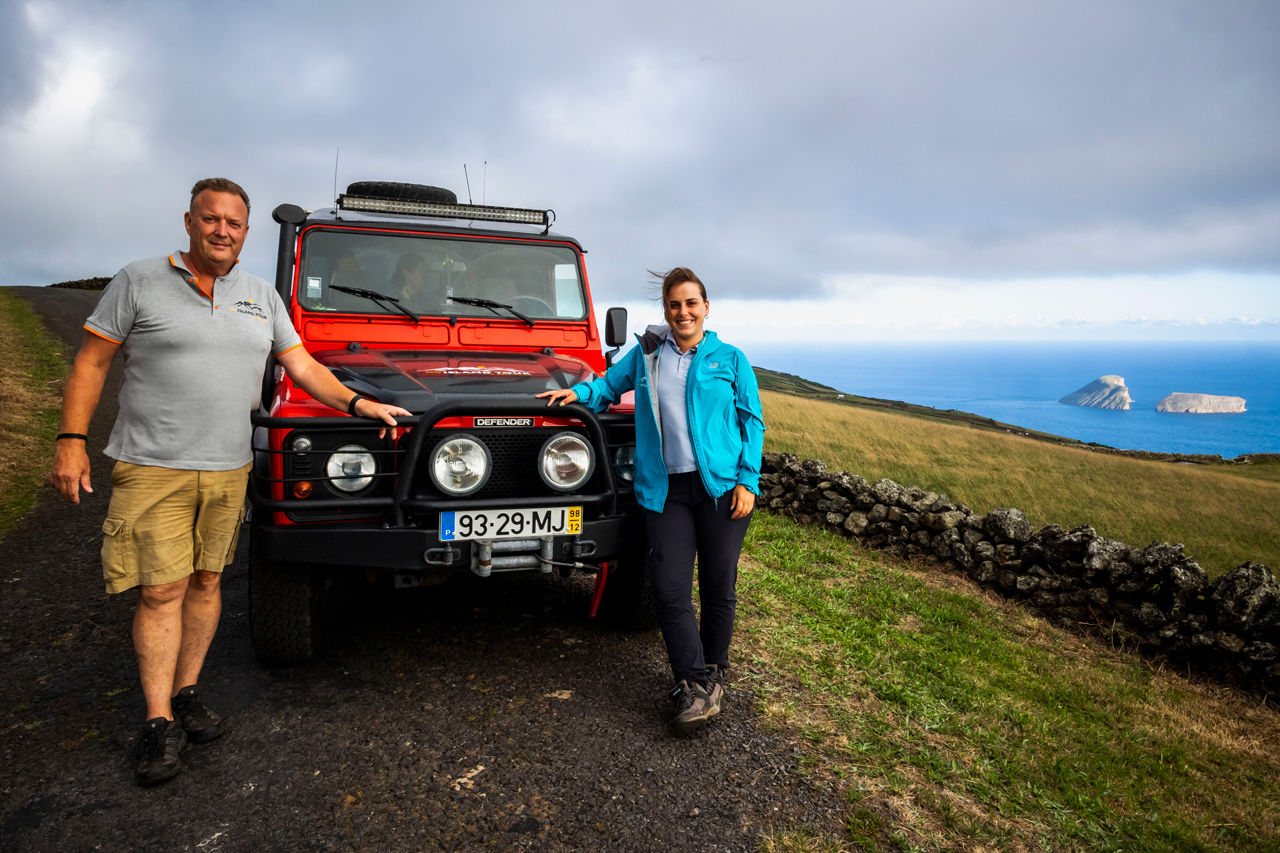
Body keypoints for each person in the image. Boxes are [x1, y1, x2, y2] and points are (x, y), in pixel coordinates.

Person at [49, 178, 411, 785]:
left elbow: (302, 365)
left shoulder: (260, 297)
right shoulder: (138, 281)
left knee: (207, 580)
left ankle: (187, 693)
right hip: (154, 465)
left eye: (234, 223)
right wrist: (71, 441)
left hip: (227, 466)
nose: (222, 230)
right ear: (189, 222)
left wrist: (358, 405)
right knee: (161, 591)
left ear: (246, 231)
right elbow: (91, 361)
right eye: (211, 219)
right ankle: (158, 720)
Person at [537, 267, 765, 736]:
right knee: (669, 589)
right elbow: (604, 387)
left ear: (706, 308)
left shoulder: (730, 358)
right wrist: (574, 394)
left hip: (721, 489)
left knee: (719, 586)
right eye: (674, 305)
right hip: (666, 492)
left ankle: (714, 672)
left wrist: (748, 481)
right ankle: (693, 683)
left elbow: (752, 423)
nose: (683, 312)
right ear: (666, 310)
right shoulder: (647, 357)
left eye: (691, 303)